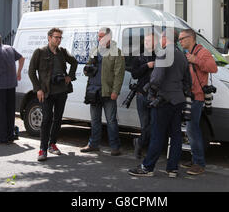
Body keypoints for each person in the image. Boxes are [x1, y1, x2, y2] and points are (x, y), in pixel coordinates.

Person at [128, 28, 192, 178]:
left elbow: (156, 78)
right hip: (178, 100)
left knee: (157, 134)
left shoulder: (164, 53)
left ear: (165, 38)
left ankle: (147, 167)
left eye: (161, 37)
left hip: (163, 100)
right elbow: (187, 81)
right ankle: (172, 169)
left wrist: (151, 94)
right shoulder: (182, 56)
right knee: (176, 135)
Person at [28, 28, 78, 161]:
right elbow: (31, 72)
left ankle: (52, 144)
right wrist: (38, 89)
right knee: (46, 119)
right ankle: (42, 149)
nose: (58, 40)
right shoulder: (40, 52)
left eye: (60, 37)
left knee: (58, 119)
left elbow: (74, 62)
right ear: (49, 38)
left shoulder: (62, 52)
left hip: (62, 91)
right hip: (46, 92)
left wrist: (70, 76)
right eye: (56, 37)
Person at [178, 28, 218, 175]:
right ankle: (195, 160)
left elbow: (213, 68)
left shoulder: (202, 52)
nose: (180, 41)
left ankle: (199, 163)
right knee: (192, 130)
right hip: (188, 96)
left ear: (191, 38)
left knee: (192, 130)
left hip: (197, 97)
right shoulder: (188, 53)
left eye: (182, 38)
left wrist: (196, 60)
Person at [80, 27, 125, 156]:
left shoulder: (116, 52)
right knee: (94, 120)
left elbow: (119, 74)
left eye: (102, 36)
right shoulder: (95, 50)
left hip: (108, 92)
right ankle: (93, 144)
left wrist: (115, 91)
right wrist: (86, 69)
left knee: (111, 121)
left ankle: (115, 147)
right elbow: (88, 68)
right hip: (94, 91)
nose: (99, 38)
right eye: (98, 36)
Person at [130, 32, 157, 159]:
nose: (148, 43)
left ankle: (139, 143)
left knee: (153, 125)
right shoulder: (139, 58)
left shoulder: (160, 57)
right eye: (146, 41)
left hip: (156, 97)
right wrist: (146, 66)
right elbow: (134, 74)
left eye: (150, 41)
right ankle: (141, 146)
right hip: (141, 95)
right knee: (145, 125)